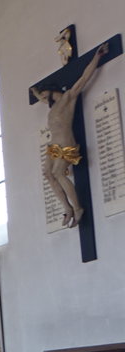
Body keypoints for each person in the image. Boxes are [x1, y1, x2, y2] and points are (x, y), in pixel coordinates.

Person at [32, 42, 110, 228]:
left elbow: (84, 78)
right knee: (48, 174)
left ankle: (77, 208)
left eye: (45, 94)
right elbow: (41, 98)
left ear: (52, 90)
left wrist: (97, 57)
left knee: (59, 173)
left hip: (66, 142)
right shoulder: (51, 106)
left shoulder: (68, 98)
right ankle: (67, 208)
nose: (44, 98)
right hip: (54, 146)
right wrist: (35, 92)